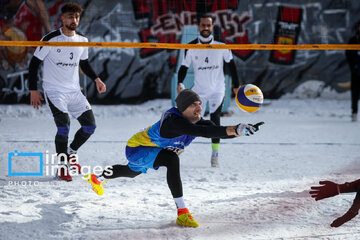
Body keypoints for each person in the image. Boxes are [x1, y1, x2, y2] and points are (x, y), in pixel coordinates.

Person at [85, 89, 264, 227]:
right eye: (194, 104)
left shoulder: (195, 121)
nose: (199, 108)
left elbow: (213, 131)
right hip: (138, 148)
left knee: (130, 172)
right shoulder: (173, 122)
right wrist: (235, 128)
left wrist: (240, 132)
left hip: (151, 151)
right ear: (182, 108)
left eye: (200, 104)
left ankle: (97, 178)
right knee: (171, 158)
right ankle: (182, 213)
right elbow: (202, 131)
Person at [28, 2, 106, 181]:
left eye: (77, 17)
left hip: (74, 91)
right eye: (71, 16)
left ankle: (71, 152)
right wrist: (33, 90)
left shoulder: (83, 40)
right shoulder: (51, 38)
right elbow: (34, 65)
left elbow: (84, 63)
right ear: (62, 18)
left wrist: (96, 79)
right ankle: (62, 166)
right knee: (63, 127)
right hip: (54, 91)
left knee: (90, 126)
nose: (74, 20)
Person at [177, 14, 241, 167]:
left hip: (218, 89)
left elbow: (232, 66)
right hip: (199, 91)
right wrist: (180, 82)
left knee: (215, 120)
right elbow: (184, 67)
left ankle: (215, 154)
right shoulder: (191, 47)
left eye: (208, 25)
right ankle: (177, 149)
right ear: (198, 27)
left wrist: (236, 85)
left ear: (212, 27)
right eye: (203, 25)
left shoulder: (221, 46)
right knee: (191, 122)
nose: (206, 28)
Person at [345, 20, 360, 122]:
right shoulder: (353, 40)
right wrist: (353, 67)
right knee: (355, 93)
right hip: (356, 71)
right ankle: (354, 112)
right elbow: (348, 54)